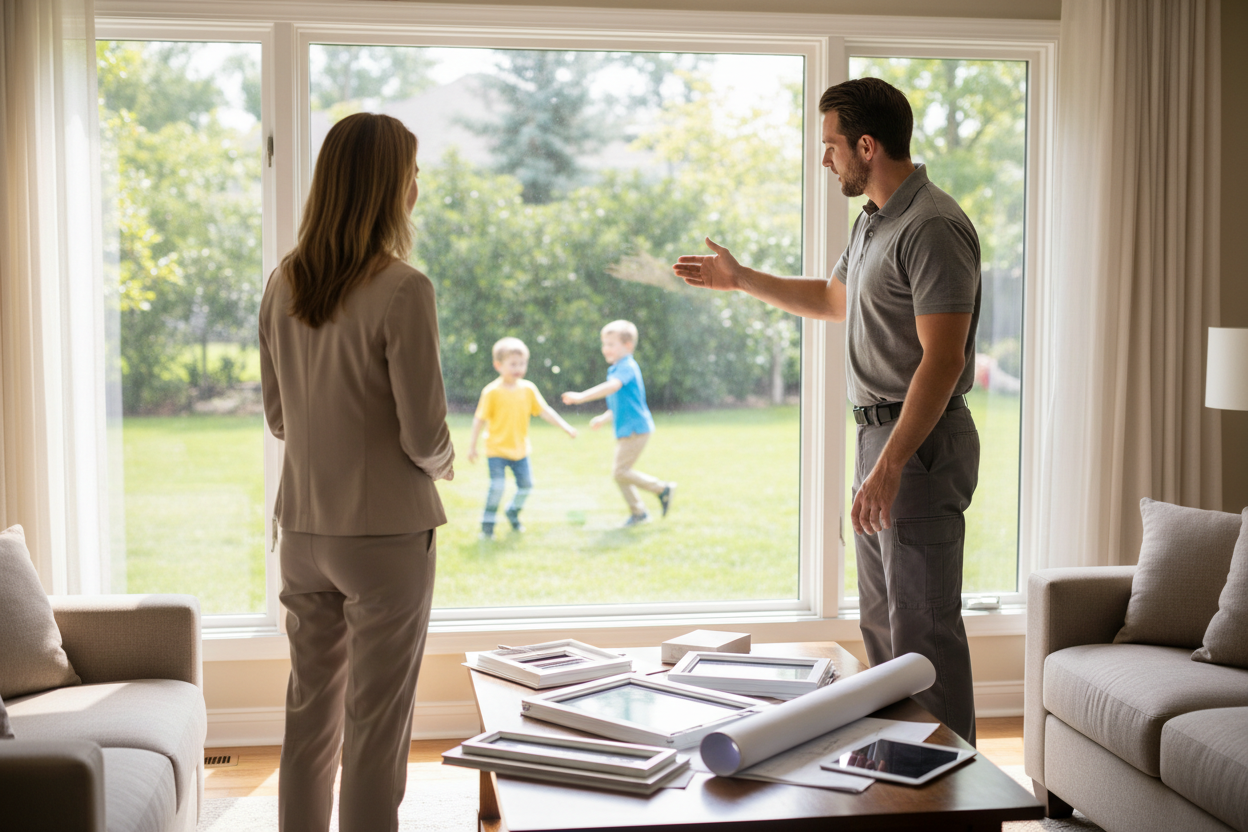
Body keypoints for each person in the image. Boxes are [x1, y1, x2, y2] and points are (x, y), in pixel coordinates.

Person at [672, 77, 981, 744]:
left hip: (917, 444)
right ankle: (904, 776)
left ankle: (956, 799)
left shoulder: (931, 226)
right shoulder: (875, 218)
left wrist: (894, 461)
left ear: (866, 146)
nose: (824, 159)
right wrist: (741, 278)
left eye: (831, 145)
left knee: (922, 630)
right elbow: (832, 300)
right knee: (881, 621)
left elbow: (944, 359)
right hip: (883, 441)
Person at [259, 112, 455, 832]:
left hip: (302, 532)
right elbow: (424, 433)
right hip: (385, 536)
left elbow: (279, 418)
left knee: (309, 715)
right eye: (411, 172)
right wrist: (446, 464)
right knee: (375, 727)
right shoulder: (404, 288)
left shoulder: (284, 282)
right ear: (388, 187)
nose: (416, 186)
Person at [562, 320, 676, 527]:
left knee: (620, 472)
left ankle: (661, 489)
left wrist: (580, 397)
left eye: (611, 344)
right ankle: (639, 512)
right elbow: (620, 404)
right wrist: (604, 418)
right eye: (604, 344)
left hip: (636, 429)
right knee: (621, 473)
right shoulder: (616, 369)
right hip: (627, 428)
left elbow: (612, 387)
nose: (606, 348)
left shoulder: (627, 367)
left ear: (628, 346)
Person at [467, 336, 577, 538]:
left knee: (526, 486)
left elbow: (545, 411)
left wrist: (565, 426)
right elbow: (478, 419)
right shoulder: (491, 392)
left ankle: (513, 512)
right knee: (497, 487)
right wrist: (472, 446)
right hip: (496, 450)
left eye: (522, 363)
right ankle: (487, 527)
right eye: (513, 364)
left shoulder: (528, 389)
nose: (518, 368)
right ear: (498, 365)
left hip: (520, 451)